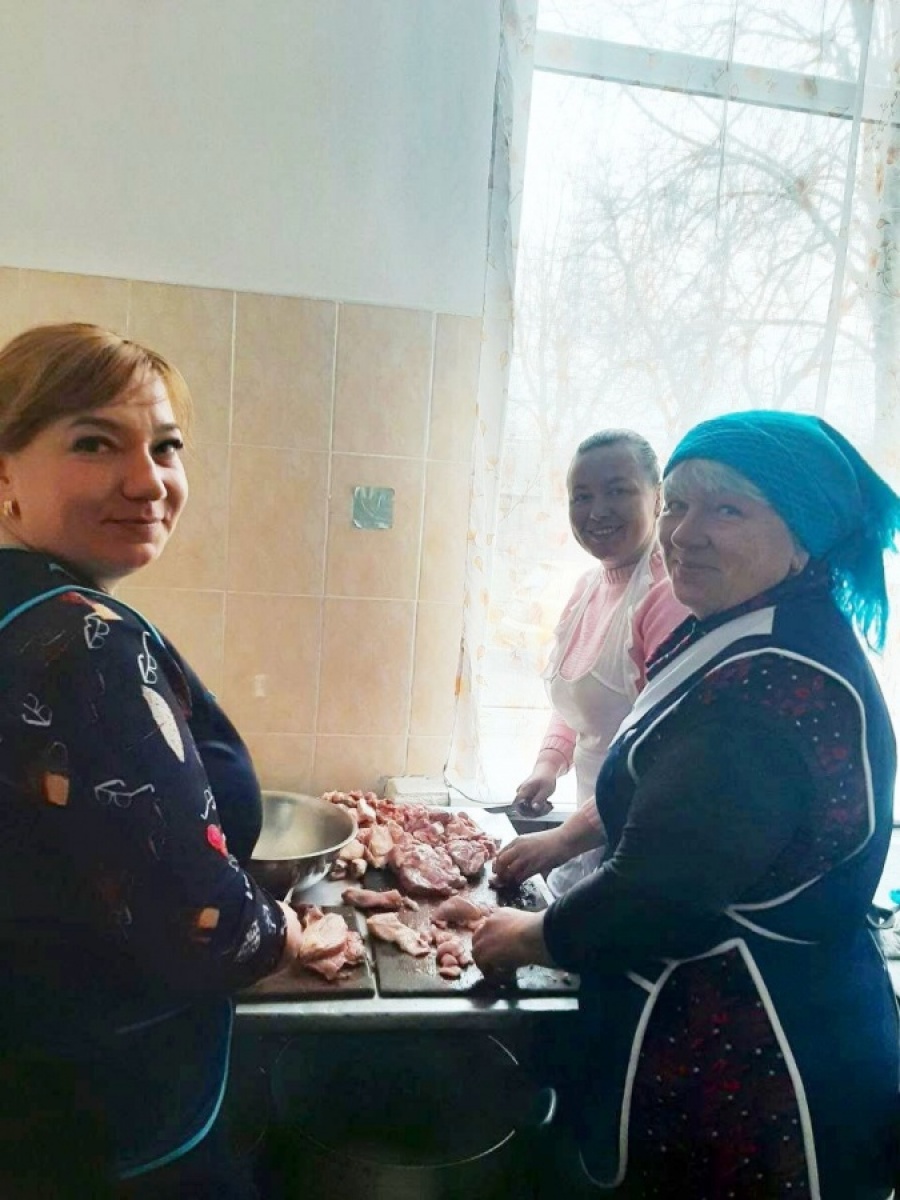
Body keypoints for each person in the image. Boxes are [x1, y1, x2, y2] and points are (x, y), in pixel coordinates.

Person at [474, 410, 900, 1199]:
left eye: (727, 509)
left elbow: (657, 894)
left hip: (757, 1062)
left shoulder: (772, 688)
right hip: (729, 1021)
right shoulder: (744, 626)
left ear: (803, 534)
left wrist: (527, 936)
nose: (683, 533)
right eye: (678, 504)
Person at [0, 323, 308, 1198]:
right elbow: (205, 923)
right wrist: (292, 932)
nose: (148, 481)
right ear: (4, 473)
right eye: (95, 444)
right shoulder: (82, 642)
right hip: (115, 1119)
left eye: (166, 447)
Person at [511, 430, 687, 895]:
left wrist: (562, 840)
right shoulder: (588, 587)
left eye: (618, 491)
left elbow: (660, 758)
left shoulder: (668, 598)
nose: (597, 511)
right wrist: (549, 764)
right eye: (582, 496)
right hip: (591, 830)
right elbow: (581, 696)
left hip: (639, 846)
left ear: (658, 498)